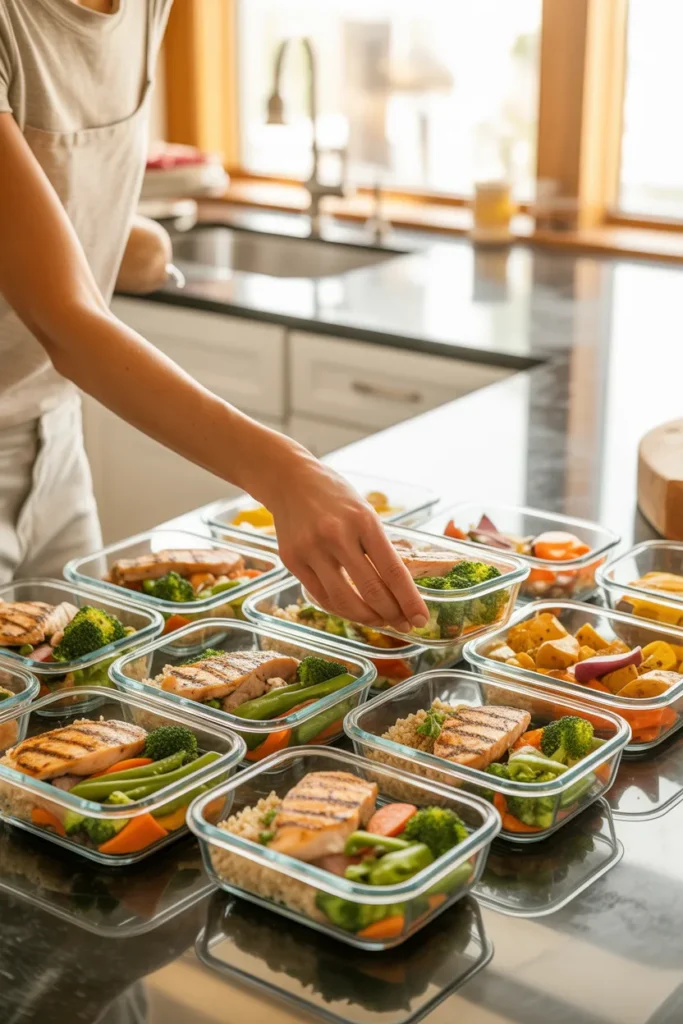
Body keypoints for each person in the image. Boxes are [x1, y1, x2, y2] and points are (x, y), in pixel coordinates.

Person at [0, 0, 429, 635]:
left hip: (55, 431)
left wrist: (119, 237)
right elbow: (65, 319)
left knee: (81, 684)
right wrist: (287, 473)